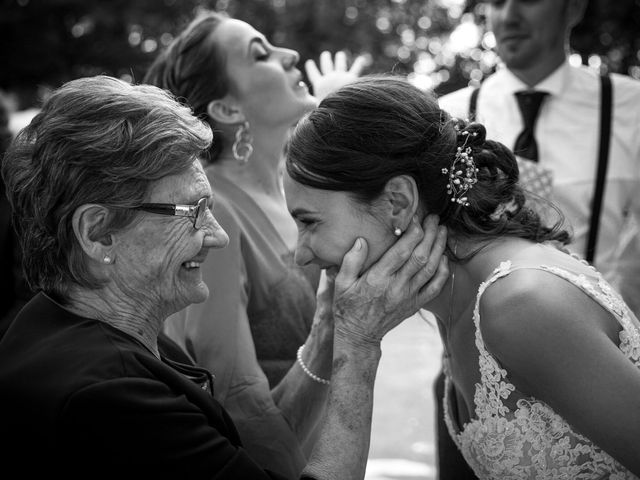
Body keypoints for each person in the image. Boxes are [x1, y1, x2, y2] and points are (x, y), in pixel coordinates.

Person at [0, 74, 450, 479]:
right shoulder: (106, 398)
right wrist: (360, 345)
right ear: (98, 234)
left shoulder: (64, 327)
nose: (217, 237)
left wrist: (330, 327)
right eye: (193, 212)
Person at [283, 75, 640, 479]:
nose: (301, 255)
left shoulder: (521, 305)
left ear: (398, 202)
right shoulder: (452, 296)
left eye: (310, 222)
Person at [143, 10, 367, 476]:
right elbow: (236, 401)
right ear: (227, 109)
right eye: (260, 54)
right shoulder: (213, 214)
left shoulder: (297, 190)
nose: (291, 55)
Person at [436, 2, 640, 477]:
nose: (507, 15)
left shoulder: (629, 106)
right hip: (473, 374)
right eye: (495, 0)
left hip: (595, 358)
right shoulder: (446, 117)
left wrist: (613, 303)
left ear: (574, 8)